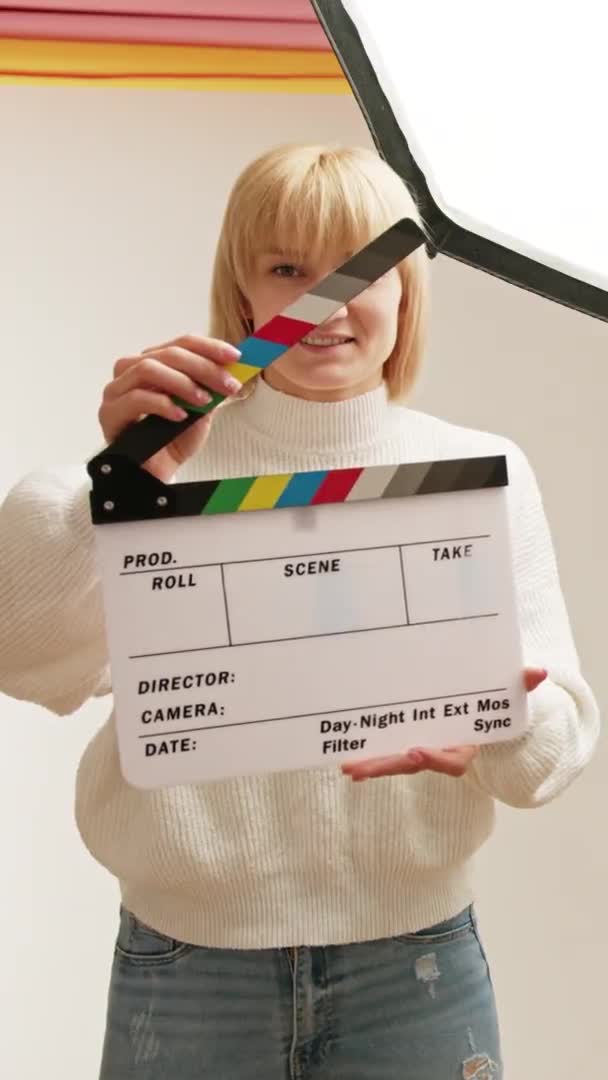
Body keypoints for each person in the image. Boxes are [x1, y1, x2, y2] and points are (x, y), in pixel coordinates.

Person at [0, 144, 599, 1080]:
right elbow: (21, 652)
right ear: (243, 294)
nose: (326, 303)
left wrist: (503, 720)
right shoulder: (165, 466)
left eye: (361, 270)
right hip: (187, 965)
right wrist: (121, 480)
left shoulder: (483, 470)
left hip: (417, 966)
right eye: (288, 270)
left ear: (405, 291)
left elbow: (554, 749)